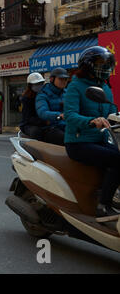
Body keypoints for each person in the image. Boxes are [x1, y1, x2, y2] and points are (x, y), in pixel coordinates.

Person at [64, 46, 119, 217]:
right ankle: (103, 205)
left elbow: (112, 111)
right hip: (79, 142)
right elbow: (70, 115)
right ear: (88, 66)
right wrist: (91, 121)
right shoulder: (76, 86)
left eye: (108, 65)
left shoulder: (105, 87)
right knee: (117, 159)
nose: (105, 69)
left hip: (101, 139)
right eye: (101, 64)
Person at [35, 67, 69, 145]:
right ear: (52, 79)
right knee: (67, 140)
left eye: (66, 79)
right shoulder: (43, 94)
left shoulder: (67, 93)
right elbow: (42, 112)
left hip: (67, 126)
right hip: (51, 127)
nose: (64, 82)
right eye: (61, 79)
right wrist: (59, 115)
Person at [19, 73, 47, 140]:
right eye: (36, 84)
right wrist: (44, 122)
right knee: (36, 132)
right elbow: (28, 118)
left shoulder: (46, 95)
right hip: (29, 125)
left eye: (40, 83)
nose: (39, 86)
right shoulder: (26, 99)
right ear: (30, 85)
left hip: (45, 123)